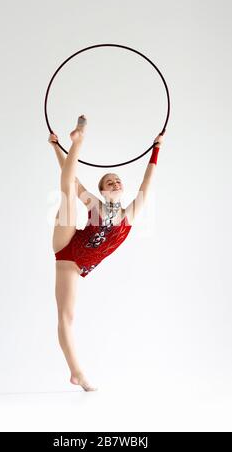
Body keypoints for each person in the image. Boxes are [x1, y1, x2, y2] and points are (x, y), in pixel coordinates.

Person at [49, 115, 164, 391]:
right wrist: (57, 147)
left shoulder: (129, 215)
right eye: (108, 182)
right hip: (67, 246)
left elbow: (146, 185)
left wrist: (156, 148)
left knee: (68, 316)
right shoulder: (96, 206)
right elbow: (73, 183)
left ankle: (75, 373)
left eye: (117, 181)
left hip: (77, 265)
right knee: (68, 196)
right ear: (101, 190)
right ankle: (78, 140)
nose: (114, 183)